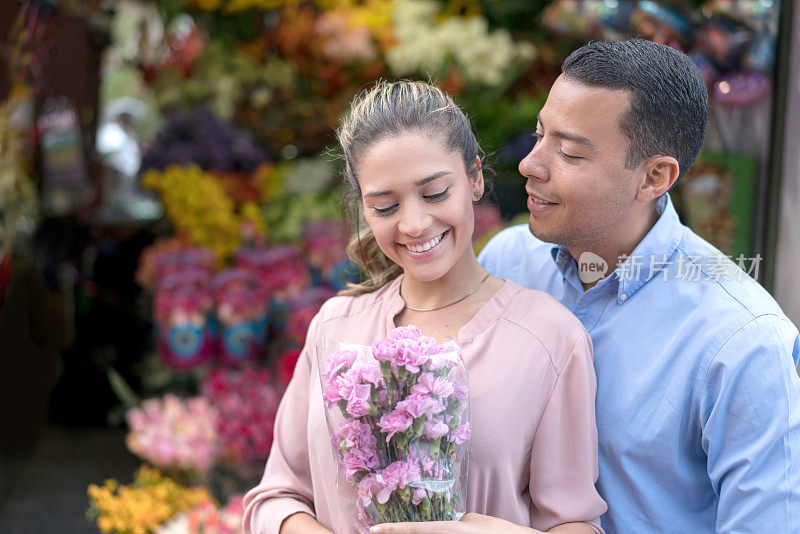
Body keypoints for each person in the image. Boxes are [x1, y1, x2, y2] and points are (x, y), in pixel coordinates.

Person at [243, 81, 607, 534]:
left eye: (434, 194)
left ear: (475, 178)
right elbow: (277, 496)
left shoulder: (550, 338)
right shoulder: (335, 327)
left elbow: (575, 523)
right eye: (385, 205)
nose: (414, 224)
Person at [478, 39, 800, 533]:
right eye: (539, 134)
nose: (531, 163)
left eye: (568, 152)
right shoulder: (507, 262)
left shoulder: (744, 343)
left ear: (654, 177)